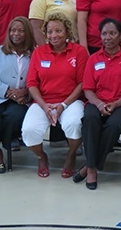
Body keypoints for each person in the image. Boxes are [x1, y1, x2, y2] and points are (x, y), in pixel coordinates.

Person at [75, 18, 121, 190]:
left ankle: (90, 166)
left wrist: (116, 104)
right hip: (96, 102)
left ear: (120, 36)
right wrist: (98, 104)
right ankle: (91, 170)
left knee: (114, 125)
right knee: (89, 120)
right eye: (104, 34)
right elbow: (88, 89)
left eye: (112, 33)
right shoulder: (94, 58)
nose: (108, 37)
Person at [21, 12, 88, 178]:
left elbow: (82, 83)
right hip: (43, 102)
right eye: (50, 32)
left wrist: (63, 105)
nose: (54, 35)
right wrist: (44, 106)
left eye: (58, 31)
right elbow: (31, 84)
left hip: (71, 102)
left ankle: (71, 155)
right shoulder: (39, 52)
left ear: (67, 32)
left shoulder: (78, 51)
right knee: (29, 130)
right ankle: (41, 157)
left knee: (73, 124)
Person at [0, 16, 35, 174]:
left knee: (13, 118)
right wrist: (9, 92)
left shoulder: (34, 54)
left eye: (21, 30)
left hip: (22, 100)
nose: (16, 34)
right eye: (13, 30)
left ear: (27, 33)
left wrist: (25, 92)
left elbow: (38, 79)